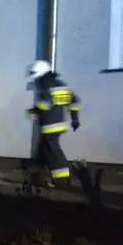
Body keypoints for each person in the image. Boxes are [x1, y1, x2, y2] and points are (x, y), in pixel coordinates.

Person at [25, 60, 81, 189]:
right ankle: (38, 175)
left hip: (49, 125)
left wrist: (34, 110)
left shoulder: (45, 85)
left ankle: (62, 180)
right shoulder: (60, 84)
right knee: (44, 149)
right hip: (59, 124)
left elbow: (45, 104)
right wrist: (75, 119)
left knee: (53, 151)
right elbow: (74, 101)